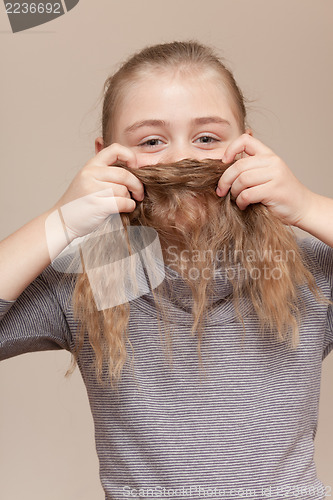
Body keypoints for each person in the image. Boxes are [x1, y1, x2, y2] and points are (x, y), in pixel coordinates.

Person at [1, 40, 333, 500]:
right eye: (152, 141)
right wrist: (57, 222)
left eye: (207, 138)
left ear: (247, 148)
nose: (181, 159)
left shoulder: (304, 269)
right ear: (106, 156)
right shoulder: (97, 279)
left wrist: (310, 207)